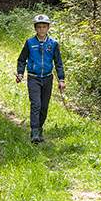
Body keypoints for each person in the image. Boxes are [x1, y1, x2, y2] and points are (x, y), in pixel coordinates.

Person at [15, 14, 66, 143]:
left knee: (44, 106)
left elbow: (58, 62)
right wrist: (20, 73)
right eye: (39, 27)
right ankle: (34, 131)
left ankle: (40, 127)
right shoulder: (30, 42)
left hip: (47, 78)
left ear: (48, 28)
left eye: (44, 27)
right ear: (35, 28)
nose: (41, 29)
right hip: (33, 78)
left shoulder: (53, 44)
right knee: (36, 104)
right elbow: (22, 60)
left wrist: (61, 79)